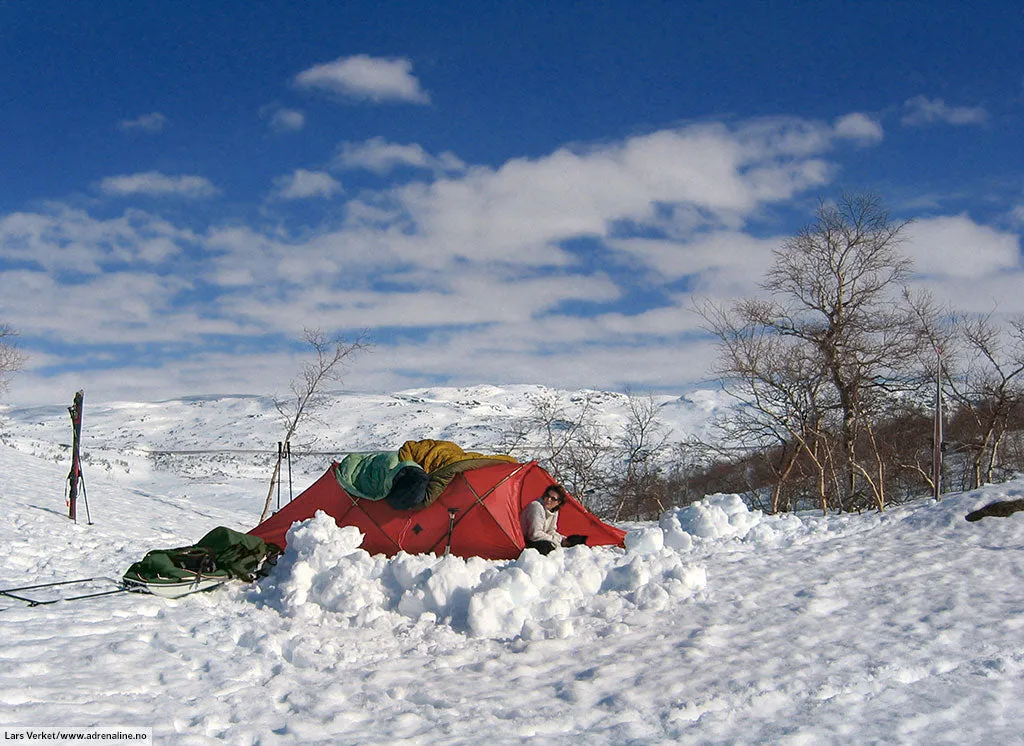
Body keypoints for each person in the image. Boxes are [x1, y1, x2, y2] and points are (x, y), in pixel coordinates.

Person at [521, 484, 587, 555]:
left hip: (538, 538)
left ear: (558, 502)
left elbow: (550, 530)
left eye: (553, 499)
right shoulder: (536, 507)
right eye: (547, 495)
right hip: (526, 541)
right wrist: (556, 540)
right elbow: (534, 534)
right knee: (547, 547)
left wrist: (561, 539)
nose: (548, 500)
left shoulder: (554, 510)